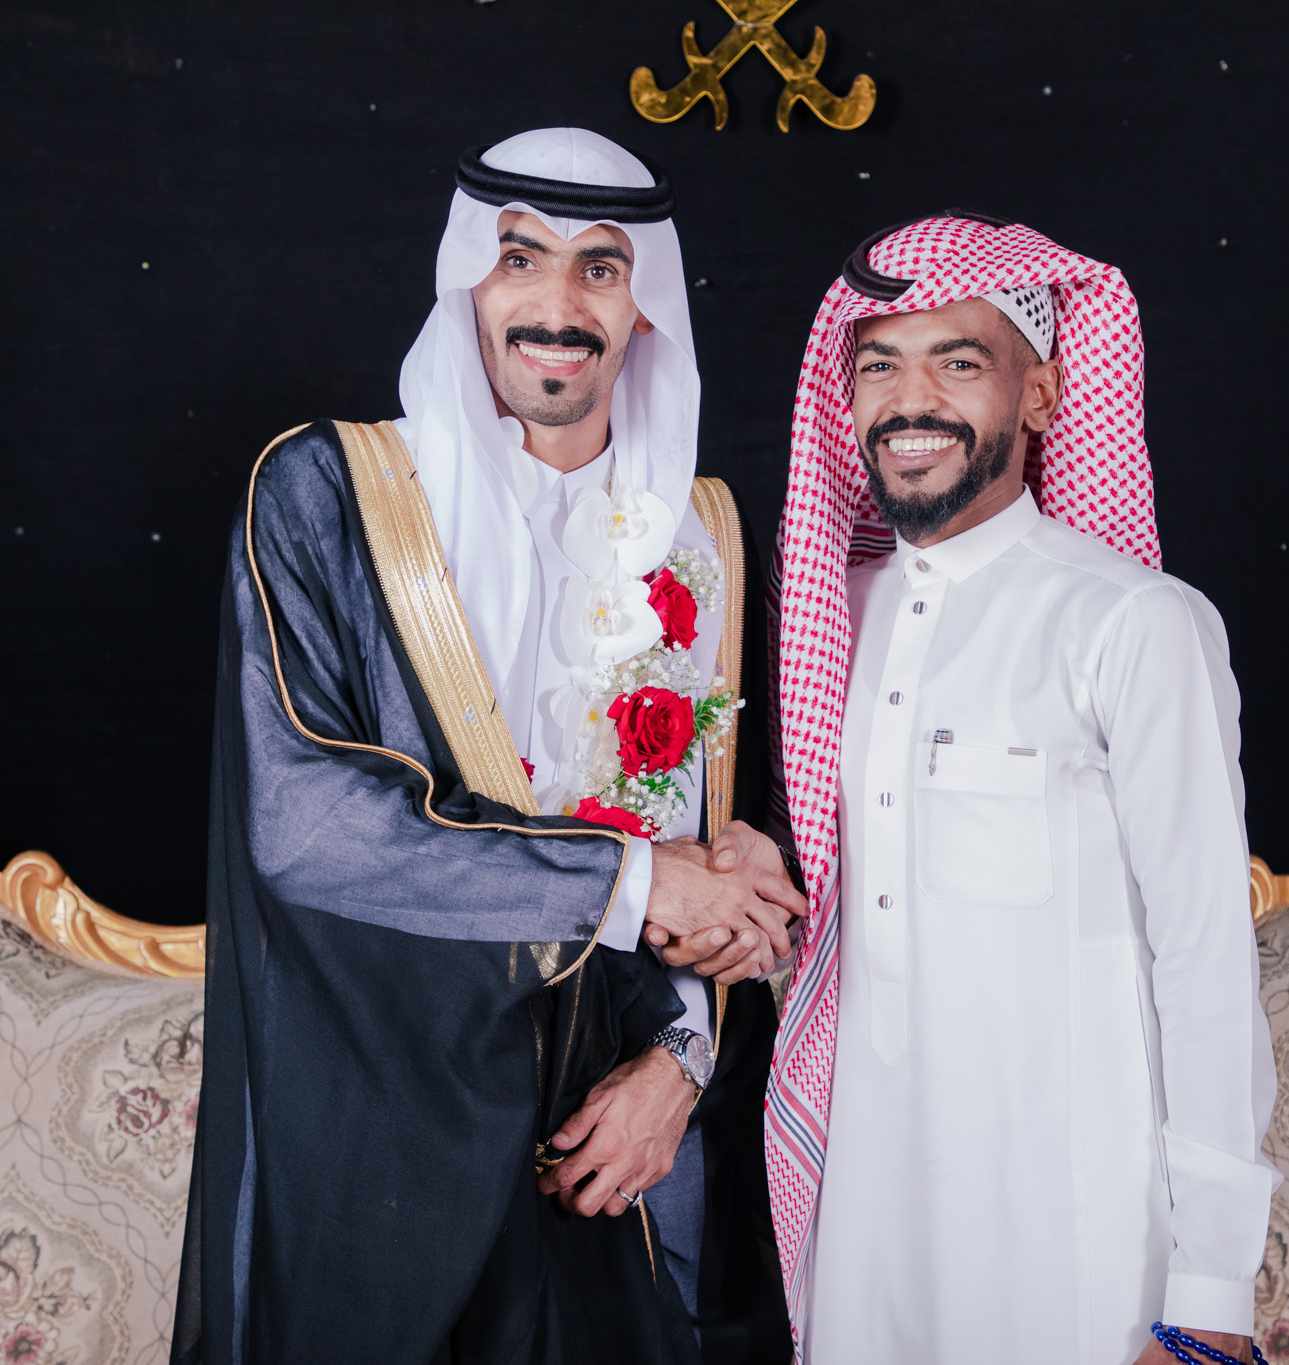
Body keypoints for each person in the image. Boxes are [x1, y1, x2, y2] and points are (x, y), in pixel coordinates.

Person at [173, 127, 802, 1365]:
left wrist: (680, 1065)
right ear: (469, 275)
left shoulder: (706, 536)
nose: (557, 306)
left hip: (624, 1149)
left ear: (645, 305)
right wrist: (635, 884)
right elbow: (307, 827)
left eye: (600, 268)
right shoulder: (331, 494)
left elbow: (746, 861)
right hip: (388, 1133)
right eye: (521, 258)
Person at [764, 213, 1279, 1364]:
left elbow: (1204, 961)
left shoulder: (1132, 623)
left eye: (957, 362)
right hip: (868, 1228)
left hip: (1074, 1237)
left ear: (1040, 395)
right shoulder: (833, 623)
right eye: (879, 366)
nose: (909, 401)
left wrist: (1209, 1290)